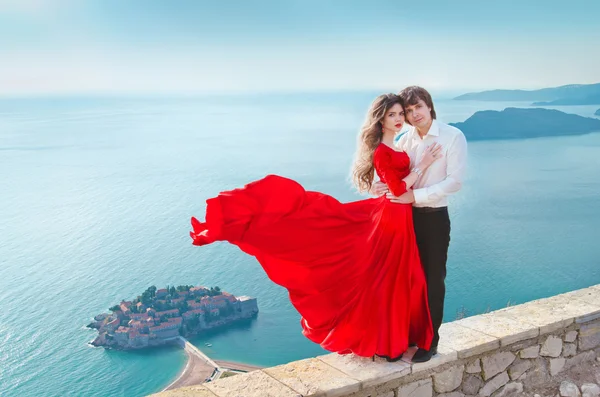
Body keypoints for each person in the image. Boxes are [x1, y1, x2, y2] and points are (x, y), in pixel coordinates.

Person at [190, 93, 442, 361]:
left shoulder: (398, 146)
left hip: (398, 215)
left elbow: (394, 183)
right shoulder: (381, 150)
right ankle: (386, 344)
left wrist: (391, 181)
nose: (399, 119)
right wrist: (423, 166)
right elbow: (398, 188)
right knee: (386, 279)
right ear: (381, 120)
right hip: (392, 218)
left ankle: (393, 342)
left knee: (395, 280)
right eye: (392, 115)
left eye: (400, 114)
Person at [372, 86, 468, 362]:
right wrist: (381, 185)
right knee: (406, 280)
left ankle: (430, 342)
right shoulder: (405, 139)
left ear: (429, 106)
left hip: (434, 217)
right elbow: (396, 175)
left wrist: (416, 195)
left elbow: (455, 181)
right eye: (408, 110)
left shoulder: (452, 136)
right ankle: (408, 337)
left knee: (432, 281)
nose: (414, 115)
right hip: (404, 219)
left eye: (418, 108)